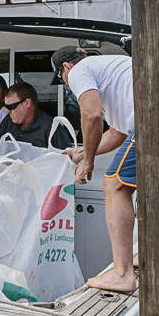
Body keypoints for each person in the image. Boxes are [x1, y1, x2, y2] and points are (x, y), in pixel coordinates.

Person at [50, 45, 135, 292]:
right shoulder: (109, 73)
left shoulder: (79, 70)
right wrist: (82, 152)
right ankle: (143, 257)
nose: (66, 86)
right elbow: (117, 133)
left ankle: (122, 273)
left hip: (151, 121)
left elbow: (92, 116)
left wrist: (88, 161)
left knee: (114, 185)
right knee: (143, 188)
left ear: (66, 66)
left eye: (62, 79)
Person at [0, 82, 70, 149]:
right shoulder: (7, 123)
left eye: (11, 106)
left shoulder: (52, 129)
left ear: (27, 103)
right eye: (6, 106)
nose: (7, 111)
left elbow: (65, 157)